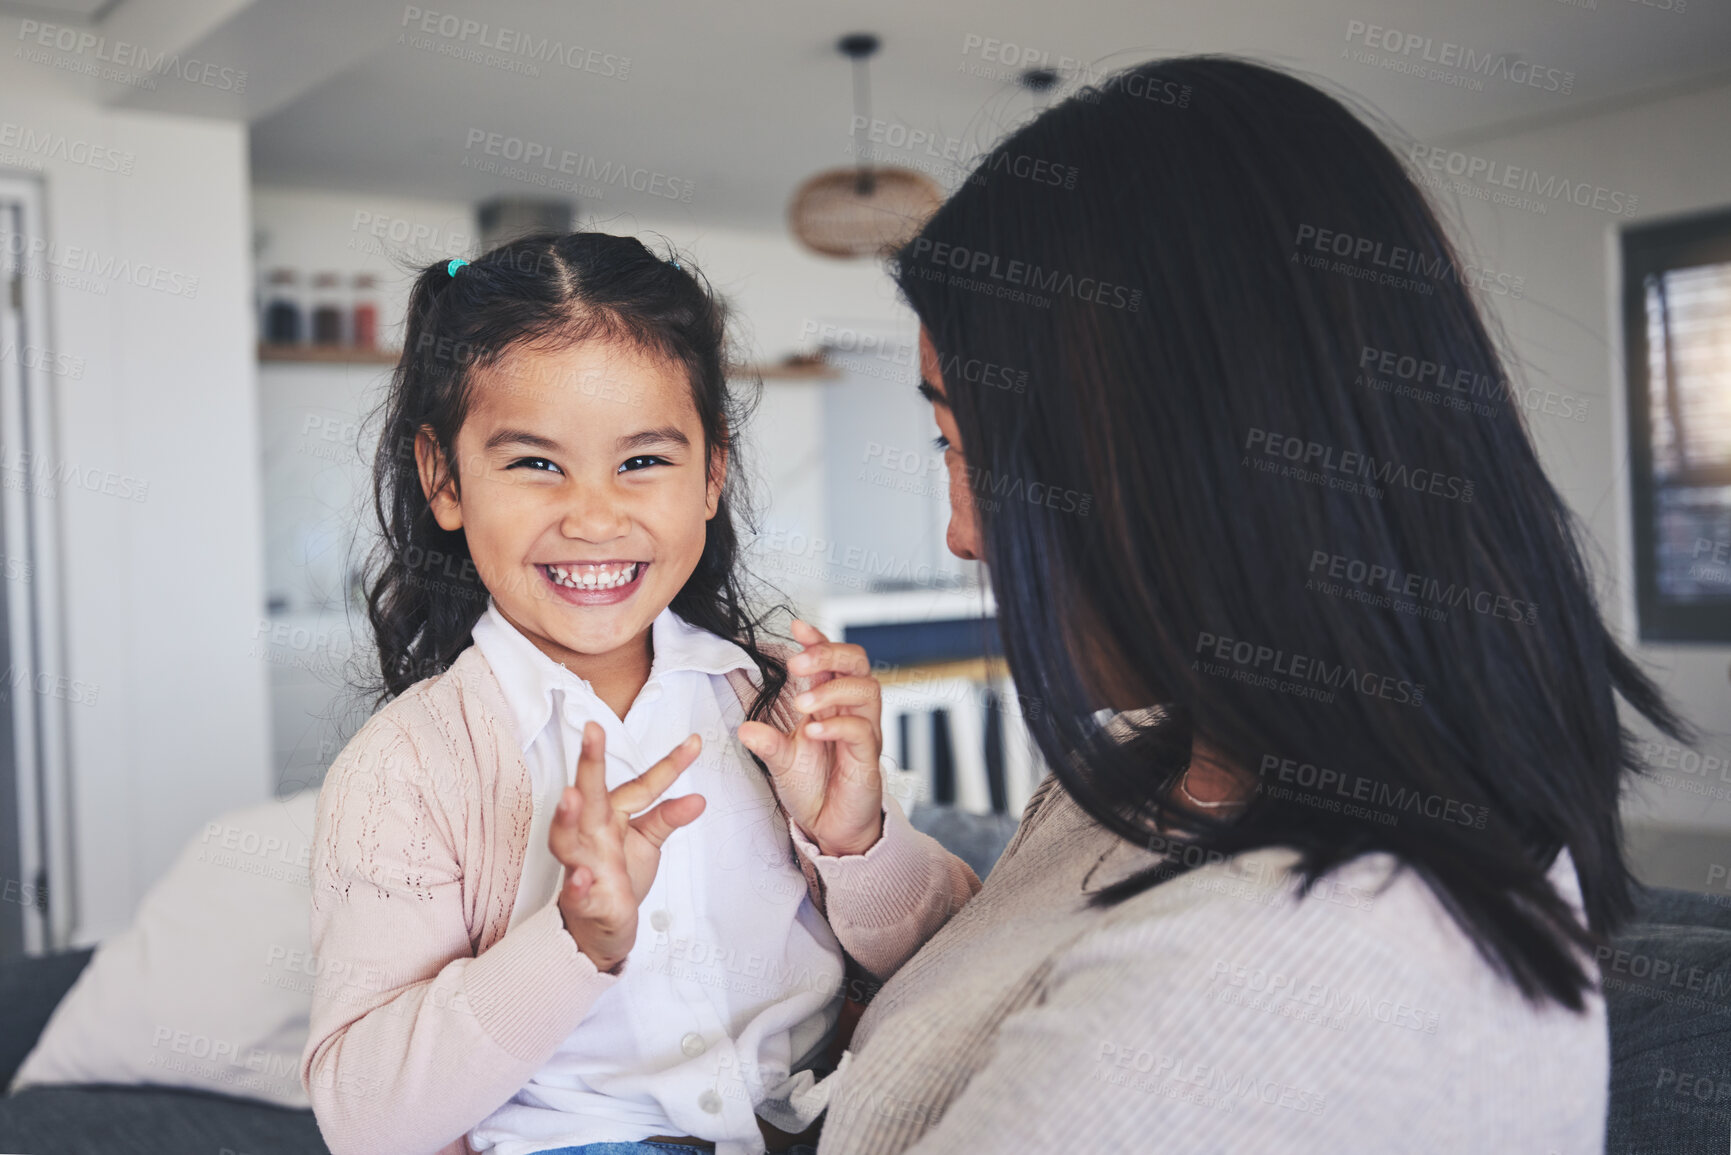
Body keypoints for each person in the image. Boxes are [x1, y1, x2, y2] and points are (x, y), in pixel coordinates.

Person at [798, 56, 1690, 1153]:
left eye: (981, 450)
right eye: (948, 445)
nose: (963, 535)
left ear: (1200, 459)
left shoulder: (1292, 973)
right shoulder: (1162, 760)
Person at [298, 233, 978, 1155]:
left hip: (825, 1117)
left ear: (711, 475)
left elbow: (957, 961)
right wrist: (574, 941)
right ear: (443, 477)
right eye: (535, 463)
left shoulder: (770, 704)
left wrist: (853, 839)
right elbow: (365, 1114)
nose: (593, 515)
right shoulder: (408, 766)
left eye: (642, 461)